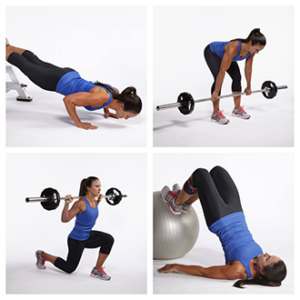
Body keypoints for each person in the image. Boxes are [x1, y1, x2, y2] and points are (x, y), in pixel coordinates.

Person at [158, 166, 287, 288]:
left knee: (200, 174)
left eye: (268, 258)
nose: (266, 253)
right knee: (217, 172)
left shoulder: (238, 270)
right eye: (270, 255)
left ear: (262, 271)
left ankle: (176, 203)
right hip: (237, 214)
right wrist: (265, 259)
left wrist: (176, 266)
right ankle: (186, 203)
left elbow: (205, 272)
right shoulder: (259, 260)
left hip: (219, 220)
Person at [6, 39, 142, 130]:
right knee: (24, 65)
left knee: (35, 61)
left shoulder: (114, 93)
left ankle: (7, 46)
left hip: (69, 74)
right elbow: (68, 100)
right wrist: (78, 123)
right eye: (127, 115)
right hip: (55, 81)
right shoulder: (101, 99)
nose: (125, 118)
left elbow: (106, 96)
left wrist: (107, 111)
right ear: (122, 105)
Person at [35, 177, 114, 281]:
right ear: (88, 188)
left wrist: (98, 202)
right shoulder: (80, 203)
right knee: (69, 268)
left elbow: (89, 213)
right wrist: (66, 204)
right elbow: (65, 219)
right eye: (97, 186)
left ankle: (97, 270)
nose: (100, 189)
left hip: (87, 236)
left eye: (100, 186)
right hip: (76, 239)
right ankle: (42, 254)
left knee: (108, 239)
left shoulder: (94, 201)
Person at [204, 28, 266, 125]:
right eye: (257, 49)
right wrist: (216, 92)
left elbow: (248, 68)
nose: (257, 52)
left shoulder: (251, 51)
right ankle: (215, 114)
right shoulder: (233, 48)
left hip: (227, 56)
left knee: (237, 77)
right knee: (217, 77)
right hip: (212, 52)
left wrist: (248, 86)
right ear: (250, 43)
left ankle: (237, 110)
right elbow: (222, 71)